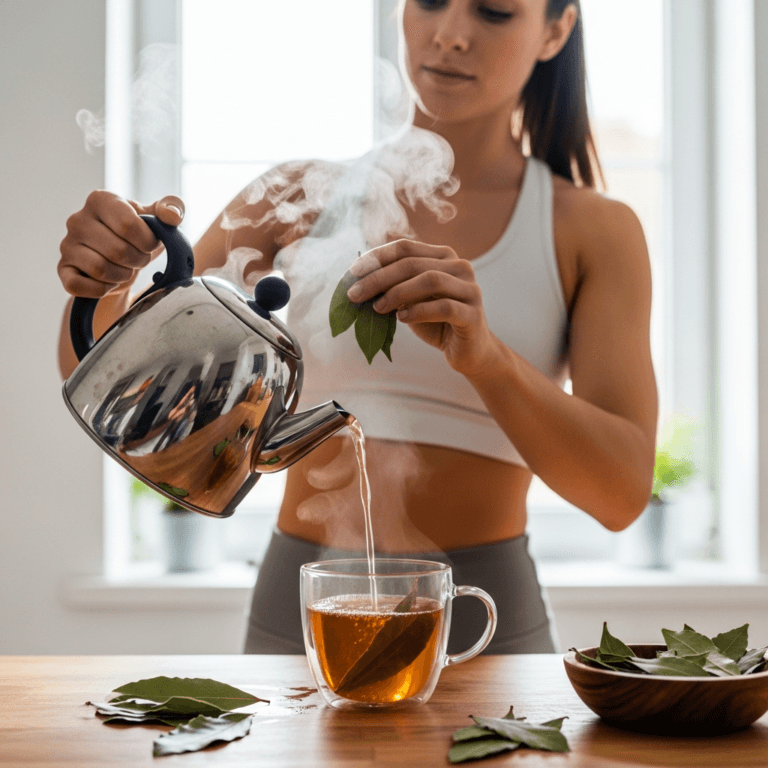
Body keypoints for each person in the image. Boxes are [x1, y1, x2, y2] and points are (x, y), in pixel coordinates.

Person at [57, 0, 658, 654]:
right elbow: (105, 379)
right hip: (304, 605)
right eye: (429, 2)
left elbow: (621, 495)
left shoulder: (594, 231)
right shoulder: (296, 195)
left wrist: (486, 356)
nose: (451, 34)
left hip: (484, 616)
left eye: (494, 11)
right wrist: (105, 276)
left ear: (556, 29)